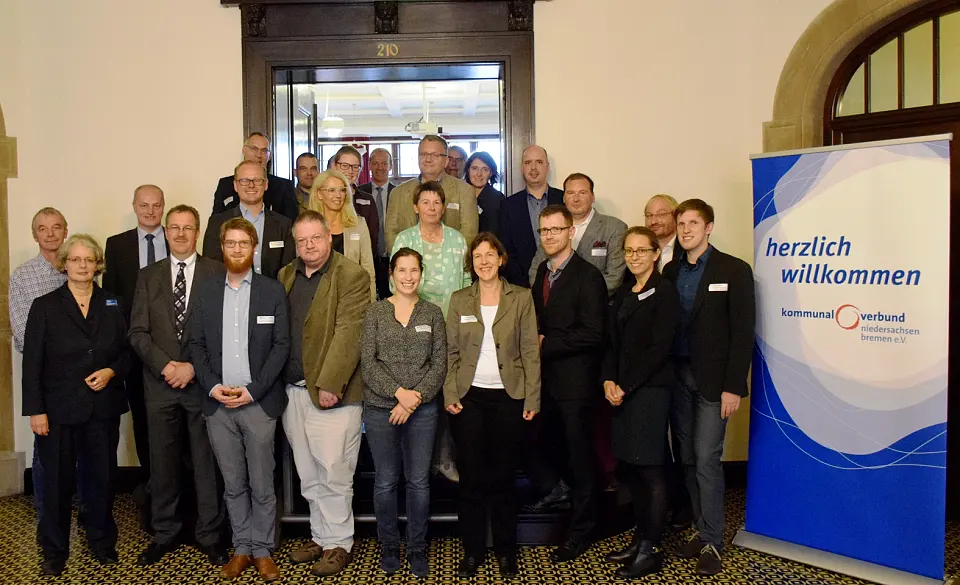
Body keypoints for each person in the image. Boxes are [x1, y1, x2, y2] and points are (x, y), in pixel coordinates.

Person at [22, 234, 131, 576]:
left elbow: (130, 351)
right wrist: (36, 410)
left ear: (98, 264)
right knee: (56, 485)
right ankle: (54, 551)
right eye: (76, 259)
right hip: (57, 412)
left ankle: (101, 543)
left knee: (101, 480)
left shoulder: (114, 303)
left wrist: (112, 370)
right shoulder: (45, 306)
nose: (83, 266)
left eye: (89, 260)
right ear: (64, 263)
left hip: (102, 409)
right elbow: (32, 364)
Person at [188, 217, 290, 582]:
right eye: (230, 243)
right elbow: (196, 345)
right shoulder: (207, 291)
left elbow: (281, 347)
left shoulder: (271, 291)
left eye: (243, 243)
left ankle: (263, 551)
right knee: (233, 484)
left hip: (258, 403)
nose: (236, 249)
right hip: (218, 405)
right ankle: (242, 548)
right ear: (222, 247)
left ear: (254, 247)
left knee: (263, 483)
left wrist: (253, 389)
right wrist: (212, 386)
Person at [128, 204, 228, 567]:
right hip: (160, 386)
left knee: (206, 464)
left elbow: (222, 332)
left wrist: (192, 368)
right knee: (163, 465)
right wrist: (166, 365)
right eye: (175, 227)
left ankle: (210, 535)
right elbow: (137, 332)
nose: (181, 233)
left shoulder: (216, 272)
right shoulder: (148, 276)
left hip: (201, 384)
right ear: (166, 232)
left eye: (188, 227)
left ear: (198, 232)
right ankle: (165, 533)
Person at [662, 199, 755, 576]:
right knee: (686, 457)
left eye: (693, 223)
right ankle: (701, 530)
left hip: (715, 384)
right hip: (677, 378)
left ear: (709, 227)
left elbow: (742, 333)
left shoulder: (733, 269)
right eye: (681, 223)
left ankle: (714, 542)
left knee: (706, 458)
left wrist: (735, 386)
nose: (685, 230)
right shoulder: (670, 271)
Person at [278, 211, 372, 578]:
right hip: (293, 392)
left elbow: (350, 332)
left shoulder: (351, 275)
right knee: (308, 473)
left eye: (315, 238)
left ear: (328, 237)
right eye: (301, 241)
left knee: (335, 472)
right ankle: (320, 535)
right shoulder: (286, 275)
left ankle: (339, 543)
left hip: (334, 394)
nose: (308, 246)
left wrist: (331, 383)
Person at [444, 233, 540, 578]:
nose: (483, 261)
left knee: (502, 479)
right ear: (471, 262)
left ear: (501, 258)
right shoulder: (459, 300)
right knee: (470, 479)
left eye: (490, 255)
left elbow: (531, 350)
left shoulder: (521, 298)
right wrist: (450, 394)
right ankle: (472, 550)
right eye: (477, 256)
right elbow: (450, 353)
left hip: (509, 398)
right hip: (469, 399)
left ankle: (505, 550)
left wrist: (533, 396)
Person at [360, 248, 446, 578]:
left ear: (421, 275)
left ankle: (417, 548)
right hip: (382, 409)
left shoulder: (433, 313)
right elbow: (369, 364)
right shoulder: (376, 313)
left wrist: (415, 398)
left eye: (414, 270)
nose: (408, 276)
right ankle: (389, 546)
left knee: (419, 482)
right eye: (402, 270)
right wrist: (399, 395)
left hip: (423, 411)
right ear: (391, 275)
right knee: (384, 481)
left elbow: (439, 364)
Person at [529, 204, 607, 563]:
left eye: (556, 230)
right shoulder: (542, 275)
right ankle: (559, 496)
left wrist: (548, 344)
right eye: (545, 231)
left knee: (581, 459)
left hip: (577, 385)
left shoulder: (587, 276)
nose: (549, 237)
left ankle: (582, 531)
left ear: (570, 232)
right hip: (547, 383)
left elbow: (594, 333)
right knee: (549, 447)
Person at [600, 226, 679, 579]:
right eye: (629, 251)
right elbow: (611, 345)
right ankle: (638, 539)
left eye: (641, 251)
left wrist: (626, 385)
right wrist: (607, 381)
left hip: (649, 391)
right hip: (621, 392)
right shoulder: (622, 293)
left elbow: (658, 350)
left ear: (655, 253)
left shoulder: (664, 293)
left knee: (650, 469)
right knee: (629, 467)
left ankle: (650, 549)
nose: (634, 257)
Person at [103, 184, 168, 505]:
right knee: (142, 418)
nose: (151, 211)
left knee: (175, 419)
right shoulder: (117, 246)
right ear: (135, 206)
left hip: (173, 349)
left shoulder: (177, 237)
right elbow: (111, 299)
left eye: (157, 205)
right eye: (144, 205)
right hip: (133, 348)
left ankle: (176, 488)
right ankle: (150, 485)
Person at [9, 207, 69, 523]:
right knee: (46, 448)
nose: (50, 234)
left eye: (56, 227)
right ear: (35, 235)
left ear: (65, 231)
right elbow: (22, 333)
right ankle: (48, 514)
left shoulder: (78, 268)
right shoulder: (22, 277)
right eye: (43, 229)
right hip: (45, 377)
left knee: (82, 446)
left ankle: (83, 509)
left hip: (81, 377)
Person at [527, 173, 626, 297]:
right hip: (552, 307)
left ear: (593, 197)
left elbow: (614, 278)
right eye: (570, 193)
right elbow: (535, 271)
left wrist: (575, 299)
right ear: (563, 197)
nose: (576, 199)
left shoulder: (614, 228)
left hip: (595, 307)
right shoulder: (551, 227)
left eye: (582, 193)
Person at [384, 135, 479, 253]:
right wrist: (403, 262)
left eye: (434, 155)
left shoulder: (464, 191)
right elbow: (391, 232)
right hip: (408, 266)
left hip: (449, 264)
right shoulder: (398, 193)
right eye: (423, 154)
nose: (428, 159)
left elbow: (469, 235)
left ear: (446, 161)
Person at [391, 181, 472, 317]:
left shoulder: (457, 238)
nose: (431, 208)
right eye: (425, 203)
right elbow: (394, 280)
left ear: (443, 208)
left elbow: (466, 278)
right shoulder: (404, 239)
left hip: (452, 316)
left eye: (437, 202)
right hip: (414, 316)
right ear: (416, 207)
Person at [203, 160, 296, 279]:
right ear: (235, 186)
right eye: (244, 180)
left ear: (266, 184)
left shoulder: (283, 224)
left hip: (273, 294)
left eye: (257, 180)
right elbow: (212, 268)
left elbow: (288, 271)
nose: (251, 185)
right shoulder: (217, 223)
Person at [498, 145, 564, 286]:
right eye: (528, 163)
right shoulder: (508, 205)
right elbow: (506, 250)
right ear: (522, 168)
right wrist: (523, 284)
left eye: (539, 162)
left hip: (563, 283)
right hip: (522, 285)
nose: (533, 168)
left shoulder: (563, 200)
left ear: (547, 167)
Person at [308, 169, 377, 301]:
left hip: (353, 297)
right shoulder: (308, 226)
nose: (338, 195)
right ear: (319, 194)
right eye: (331, 190)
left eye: (342, 190)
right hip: (318, 299)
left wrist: (371, 303)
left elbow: (368, 269)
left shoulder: (359, 224)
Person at [211, 132, 299, 221]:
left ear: (270, 156)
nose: (259, 155)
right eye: (254, 149)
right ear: (244, 151)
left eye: (264, 150)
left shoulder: (283, 187)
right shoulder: (225, 185)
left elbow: (292, 226)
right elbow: (216, 222)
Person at [356, 147, 396, 299]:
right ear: (369, 165)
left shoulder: (399, 193)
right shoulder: (359, 192)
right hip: (367, 257)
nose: (380, 167)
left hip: (391, 257)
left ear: (390, 166)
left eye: (384, 163)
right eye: (376, 163)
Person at [464, 151, 505, 235]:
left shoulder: (497, 199)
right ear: (468, 170)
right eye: (474, 168)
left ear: (491, 173)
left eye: (485, 169)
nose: (479, 174)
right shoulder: (461, 195)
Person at [644, 194, 680, 269]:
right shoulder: (640, 250)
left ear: (675, 216)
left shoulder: (687, 249)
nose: (653, 221)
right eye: (649, 215)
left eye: (661, 214)